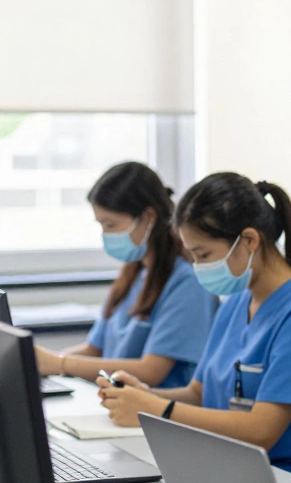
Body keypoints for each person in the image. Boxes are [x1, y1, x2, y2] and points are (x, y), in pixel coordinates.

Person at [97, 173, 291, 483]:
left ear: (249, 241)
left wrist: (156, 408)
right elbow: (198, 393)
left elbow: (261, 431)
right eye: (192, 255)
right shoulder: (237, 301)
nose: (197, 267)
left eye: (203, 254)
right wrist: (143, 396)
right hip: (225, 474)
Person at [35, 162, 217, 388]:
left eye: (111, 225)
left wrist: (59, 363)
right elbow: (94, 348)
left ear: (148, 217)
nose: (105, 235)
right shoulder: (133, 274)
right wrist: (38, 363)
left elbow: (151, 371)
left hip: (153, 414)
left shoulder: (188, 283)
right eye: (101, 225)